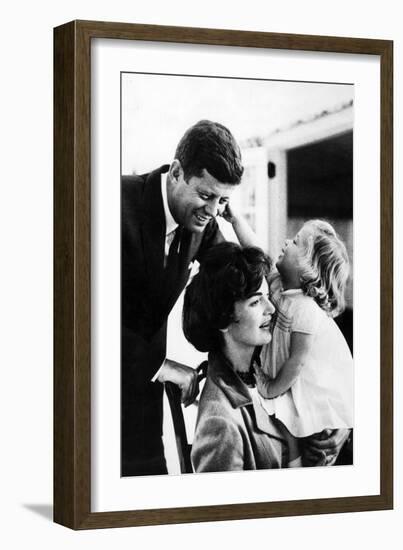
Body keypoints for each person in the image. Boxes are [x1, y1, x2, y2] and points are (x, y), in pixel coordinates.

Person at [121, 120, 244, 476]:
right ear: (176, 172)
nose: (212, 210)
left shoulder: (203, 225)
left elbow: (239, 275)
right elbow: (77, 316)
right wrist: (161, 365)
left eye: (223, 200)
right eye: (206, 195)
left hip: (143, 411)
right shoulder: (109, 204)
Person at [183, 242, 348, 472]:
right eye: (255, 302)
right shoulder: (219, 423)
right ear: (223, 318)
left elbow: (326, 385)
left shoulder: (274, 357)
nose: (271, 308)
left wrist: (340, 426)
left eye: (268, 296)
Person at [231, 217, 353, 466]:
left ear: (307, 268)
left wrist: (272, 386)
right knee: (283, 416)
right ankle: (294, 462)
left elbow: (297, 361)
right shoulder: (278, 284)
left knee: (299, 422)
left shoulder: (306, 309)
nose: (287, 240)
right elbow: (255, 248)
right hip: (286, 377)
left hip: (306, 383)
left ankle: (299, 466)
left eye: (296, 241)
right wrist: (234, 220)